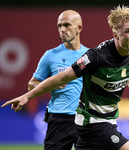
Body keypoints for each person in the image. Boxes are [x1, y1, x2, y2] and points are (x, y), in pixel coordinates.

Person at [2, 5, 129, 150]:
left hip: (108, 121)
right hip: (93, 123)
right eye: (128, 31)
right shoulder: (95, 57)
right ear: (115, 34)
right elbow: (62, 78)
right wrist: (27, 96)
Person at [27, 10, 88, 150]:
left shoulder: (90, 55)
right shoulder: (50, 55)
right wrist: (51, 85)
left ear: (79, 28)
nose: (62, 29)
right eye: (59, 26)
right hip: (60, 120)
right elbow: (32, 84)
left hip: (85, 119)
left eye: (67, 25)